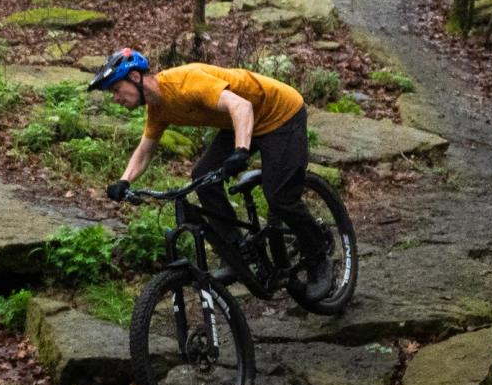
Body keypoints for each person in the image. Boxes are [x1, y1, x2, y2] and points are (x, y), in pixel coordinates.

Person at [90, 47, 334, 302]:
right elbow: (145, 150)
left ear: (136, 78)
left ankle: (318, 257)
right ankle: (237, 252)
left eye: (116, 90)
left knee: (280, 197)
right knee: (203, 178)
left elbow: (241, 105)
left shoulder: (184, 83)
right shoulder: (158, 108)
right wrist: (124, 181)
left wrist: (241, 150)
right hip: (236, 121)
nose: (115, 98)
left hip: (280, 113)